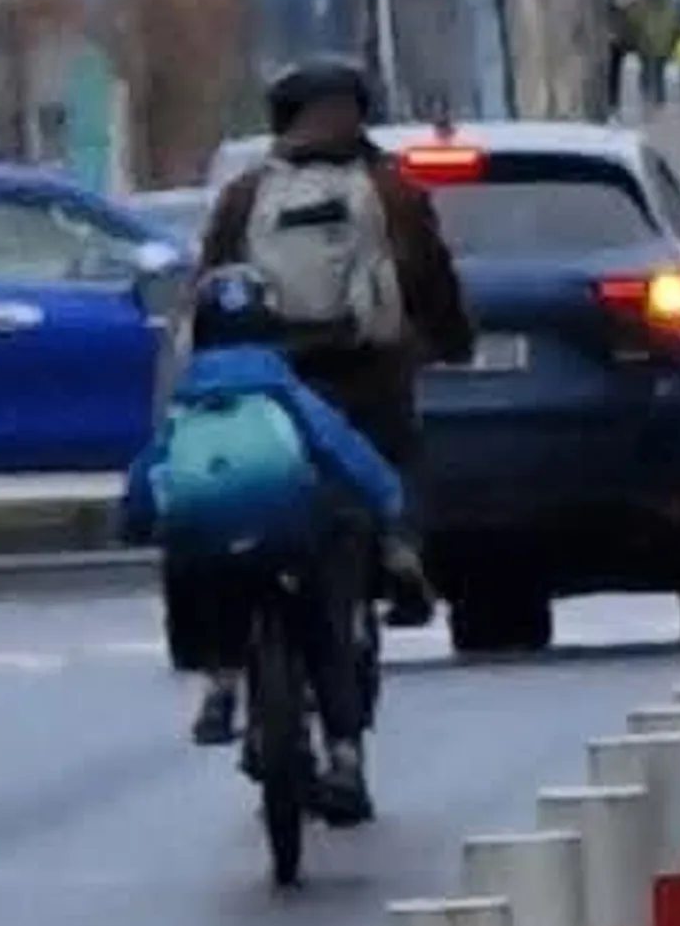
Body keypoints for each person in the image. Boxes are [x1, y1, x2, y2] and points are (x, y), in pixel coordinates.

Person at [193, 60, 476, 766]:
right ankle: (402, 550)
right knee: (395, 456)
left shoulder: (245, 196)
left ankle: (227, 673)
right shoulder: (390, 192)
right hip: (368, 380)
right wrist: (451, 342)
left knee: (239, 503)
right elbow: (431, 284)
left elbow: (208, 289)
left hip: (270, 386)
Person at [126, 267, 408, 824]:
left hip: (210, 548)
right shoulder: (285, 390)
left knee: (196, 571)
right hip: (290, 535)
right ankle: (345, 757)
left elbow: (148, 477)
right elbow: (345, 454)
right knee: (325, 627)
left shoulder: (186, 402)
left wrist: (134, 522)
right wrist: (390, 506)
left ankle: (220, 684)